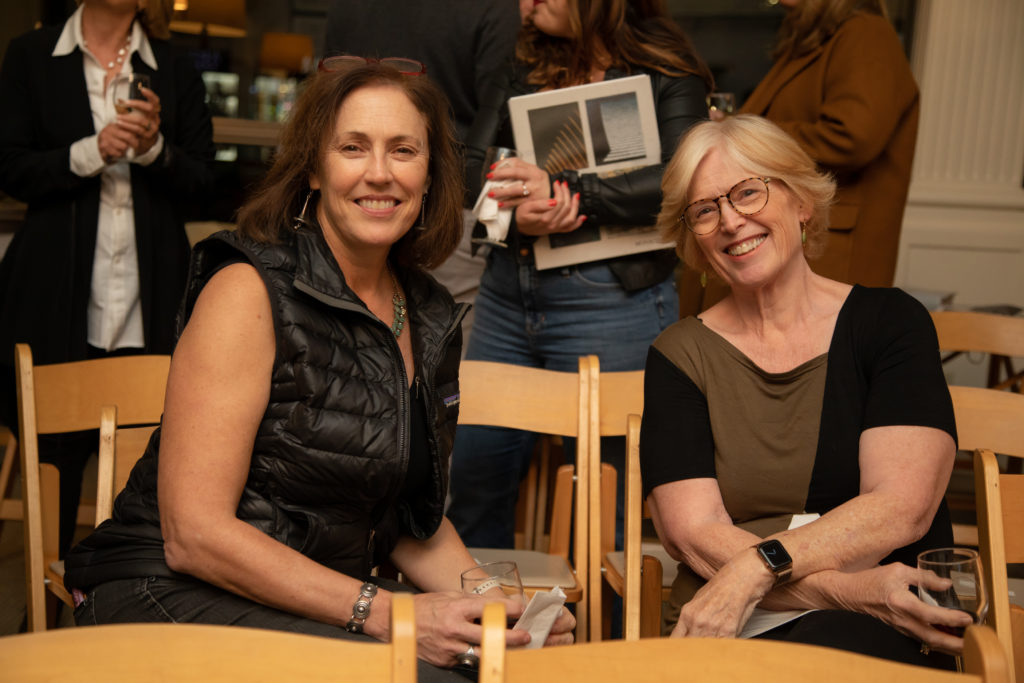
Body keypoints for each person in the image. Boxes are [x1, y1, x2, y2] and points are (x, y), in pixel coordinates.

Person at [63, 61, 573, 681]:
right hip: (160, 593)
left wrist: (496, 613)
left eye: (404, 150)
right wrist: (396, 616)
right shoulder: (247, 290)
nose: (379, 173)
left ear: (431, 173)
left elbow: (406, 518)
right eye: (352, 147)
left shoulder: (428, 311)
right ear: (313, 167)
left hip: (311, 597)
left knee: (499, 667)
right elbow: (194, 535)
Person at [641, 114, 962, 668]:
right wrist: (848, 589)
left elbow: (901, 508)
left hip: (889, 619)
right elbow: (693, 535)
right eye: (705, 210)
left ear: (802, 202)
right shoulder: (679, 354)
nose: (731, 221)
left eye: (748, 192)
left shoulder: (891, 324)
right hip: (736, 616)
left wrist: (755, 566)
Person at [447, 0, 712, 549]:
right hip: (506, 291)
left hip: (615, 302)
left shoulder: (666, 66)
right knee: (474, 481)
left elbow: (682, 175)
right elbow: (471, 163)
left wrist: (574, 194)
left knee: (607, 507)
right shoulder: (522, 58)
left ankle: (605, 638)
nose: (527, 3)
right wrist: (517, 210)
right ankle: (481, 631)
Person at [0, 0, 214, 555]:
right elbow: (10, 167)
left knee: (144, 473)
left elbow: (206, 181)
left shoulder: (174, 66)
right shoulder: (32, 55)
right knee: (54, 462)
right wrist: (92, 151)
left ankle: (120, 617)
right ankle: (41, 618)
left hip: (151, 300)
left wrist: (154, 151)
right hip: (54, 296)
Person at [323, 0, 522, 348]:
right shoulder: (495, 8)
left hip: (382, 199)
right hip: (450, 199)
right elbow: (500, 115)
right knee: (441, 348)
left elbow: (325, 96)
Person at [738, 0, 917, 290]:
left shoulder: (866, 33)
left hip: (829, 246)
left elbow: (852, 138)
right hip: (801, 238)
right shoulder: (814, 38)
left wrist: (747, 134)